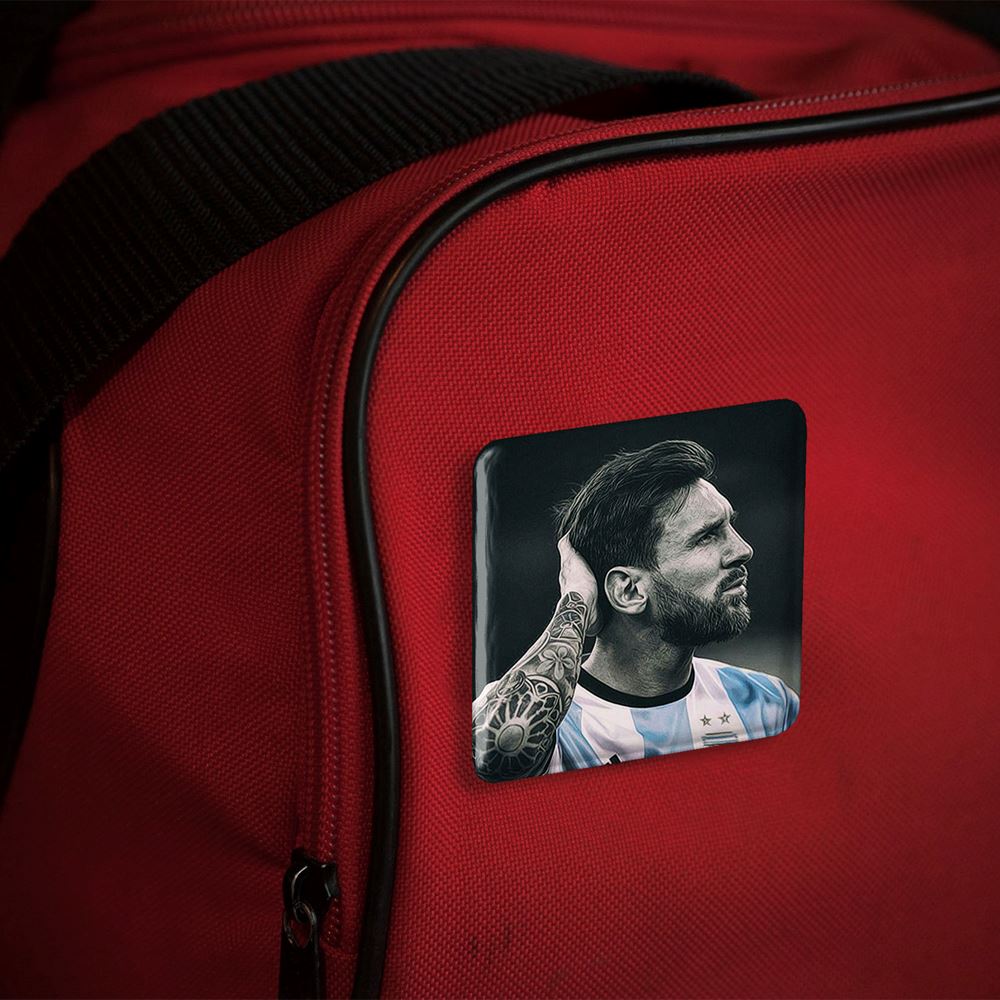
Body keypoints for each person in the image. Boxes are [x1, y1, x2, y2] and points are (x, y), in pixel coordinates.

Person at [473, 439, 799, 781]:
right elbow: (492, 752)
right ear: (628, 591)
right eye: (707, 536)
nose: (743, 549)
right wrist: (576, 600)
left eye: (731, 526)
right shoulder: (548, 727)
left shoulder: (766, 702)